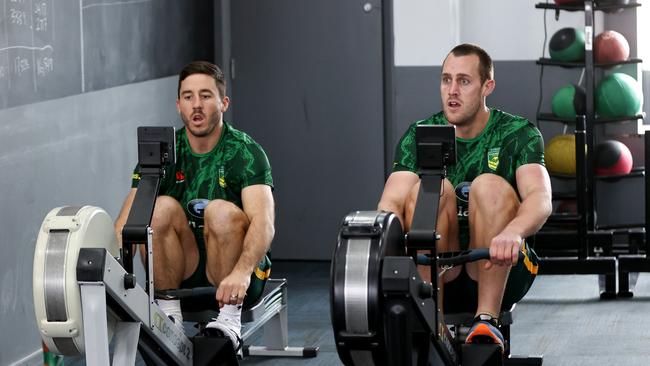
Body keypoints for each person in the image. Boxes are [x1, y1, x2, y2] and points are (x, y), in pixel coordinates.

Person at [378, 43, 552, 351]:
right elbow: (390, 203)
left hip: (501, 267)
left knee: (488, 185)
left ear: (488, 86)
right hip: (432, 272)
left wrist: (512, 233)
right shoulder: (420, 132)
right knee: (430, 189)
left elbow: (540, 198)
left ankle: (486, 321)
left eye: (464, 81)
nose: (452, 90)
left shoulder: (517, 133)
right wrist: (384, 249)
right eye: (446, 80)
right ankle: (430, 321)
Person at [115, 61, 275, 352]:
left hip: (238, 276)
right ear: (178, 105)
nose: (196, 105)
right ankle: (169, 317)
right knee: (158, 208)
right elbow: (126, 222)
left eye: (205, 95)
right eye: (188, 97)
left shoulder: (246, 152)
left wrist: (242, 272)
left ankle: (228, 323)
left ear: (223, 102)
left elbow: (264, 224)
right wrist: (112, 279)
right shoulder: (163, 153)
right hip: (181, 269)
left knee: (220, 211)